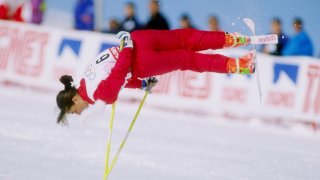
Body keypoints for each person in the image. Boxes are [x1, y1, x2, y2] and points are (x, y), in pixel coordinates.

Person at [56, 29, 255, 124]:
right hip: (141, 39)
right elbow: (119, 76)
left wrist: (127, 47)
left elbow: (120, 72)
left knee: (187, 59)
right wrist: (141, 84)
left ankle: (240, 65)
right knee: (186, 38)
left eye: (73, 111)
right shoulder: (85, 77)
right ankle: (234, 39)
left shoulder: (98, 96)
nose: (78, 113)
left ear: (74, 99)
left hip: (140, 60)